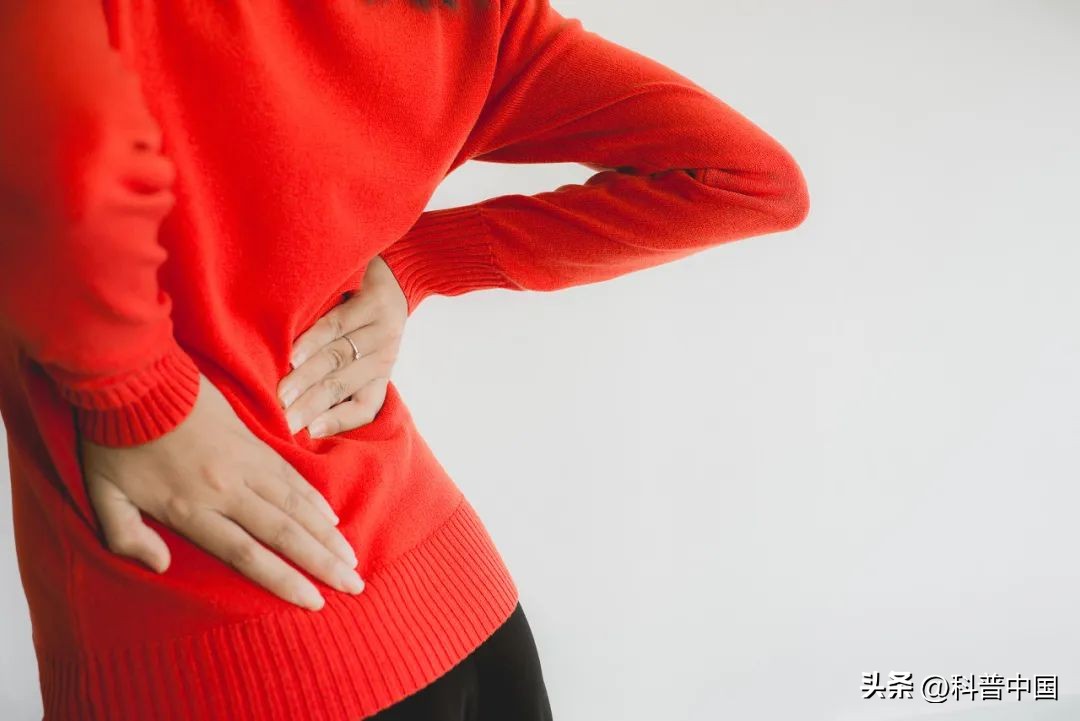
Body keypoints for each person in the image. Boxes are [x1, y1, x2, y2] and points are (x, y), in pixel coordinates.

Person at [0, 0, 810, 719]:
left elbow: (57, 163)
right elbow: (749, 179)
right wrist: (421, 260)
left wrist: (136, 394)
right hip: (454, 601)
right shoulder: (477, 20)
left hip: (220, 638)